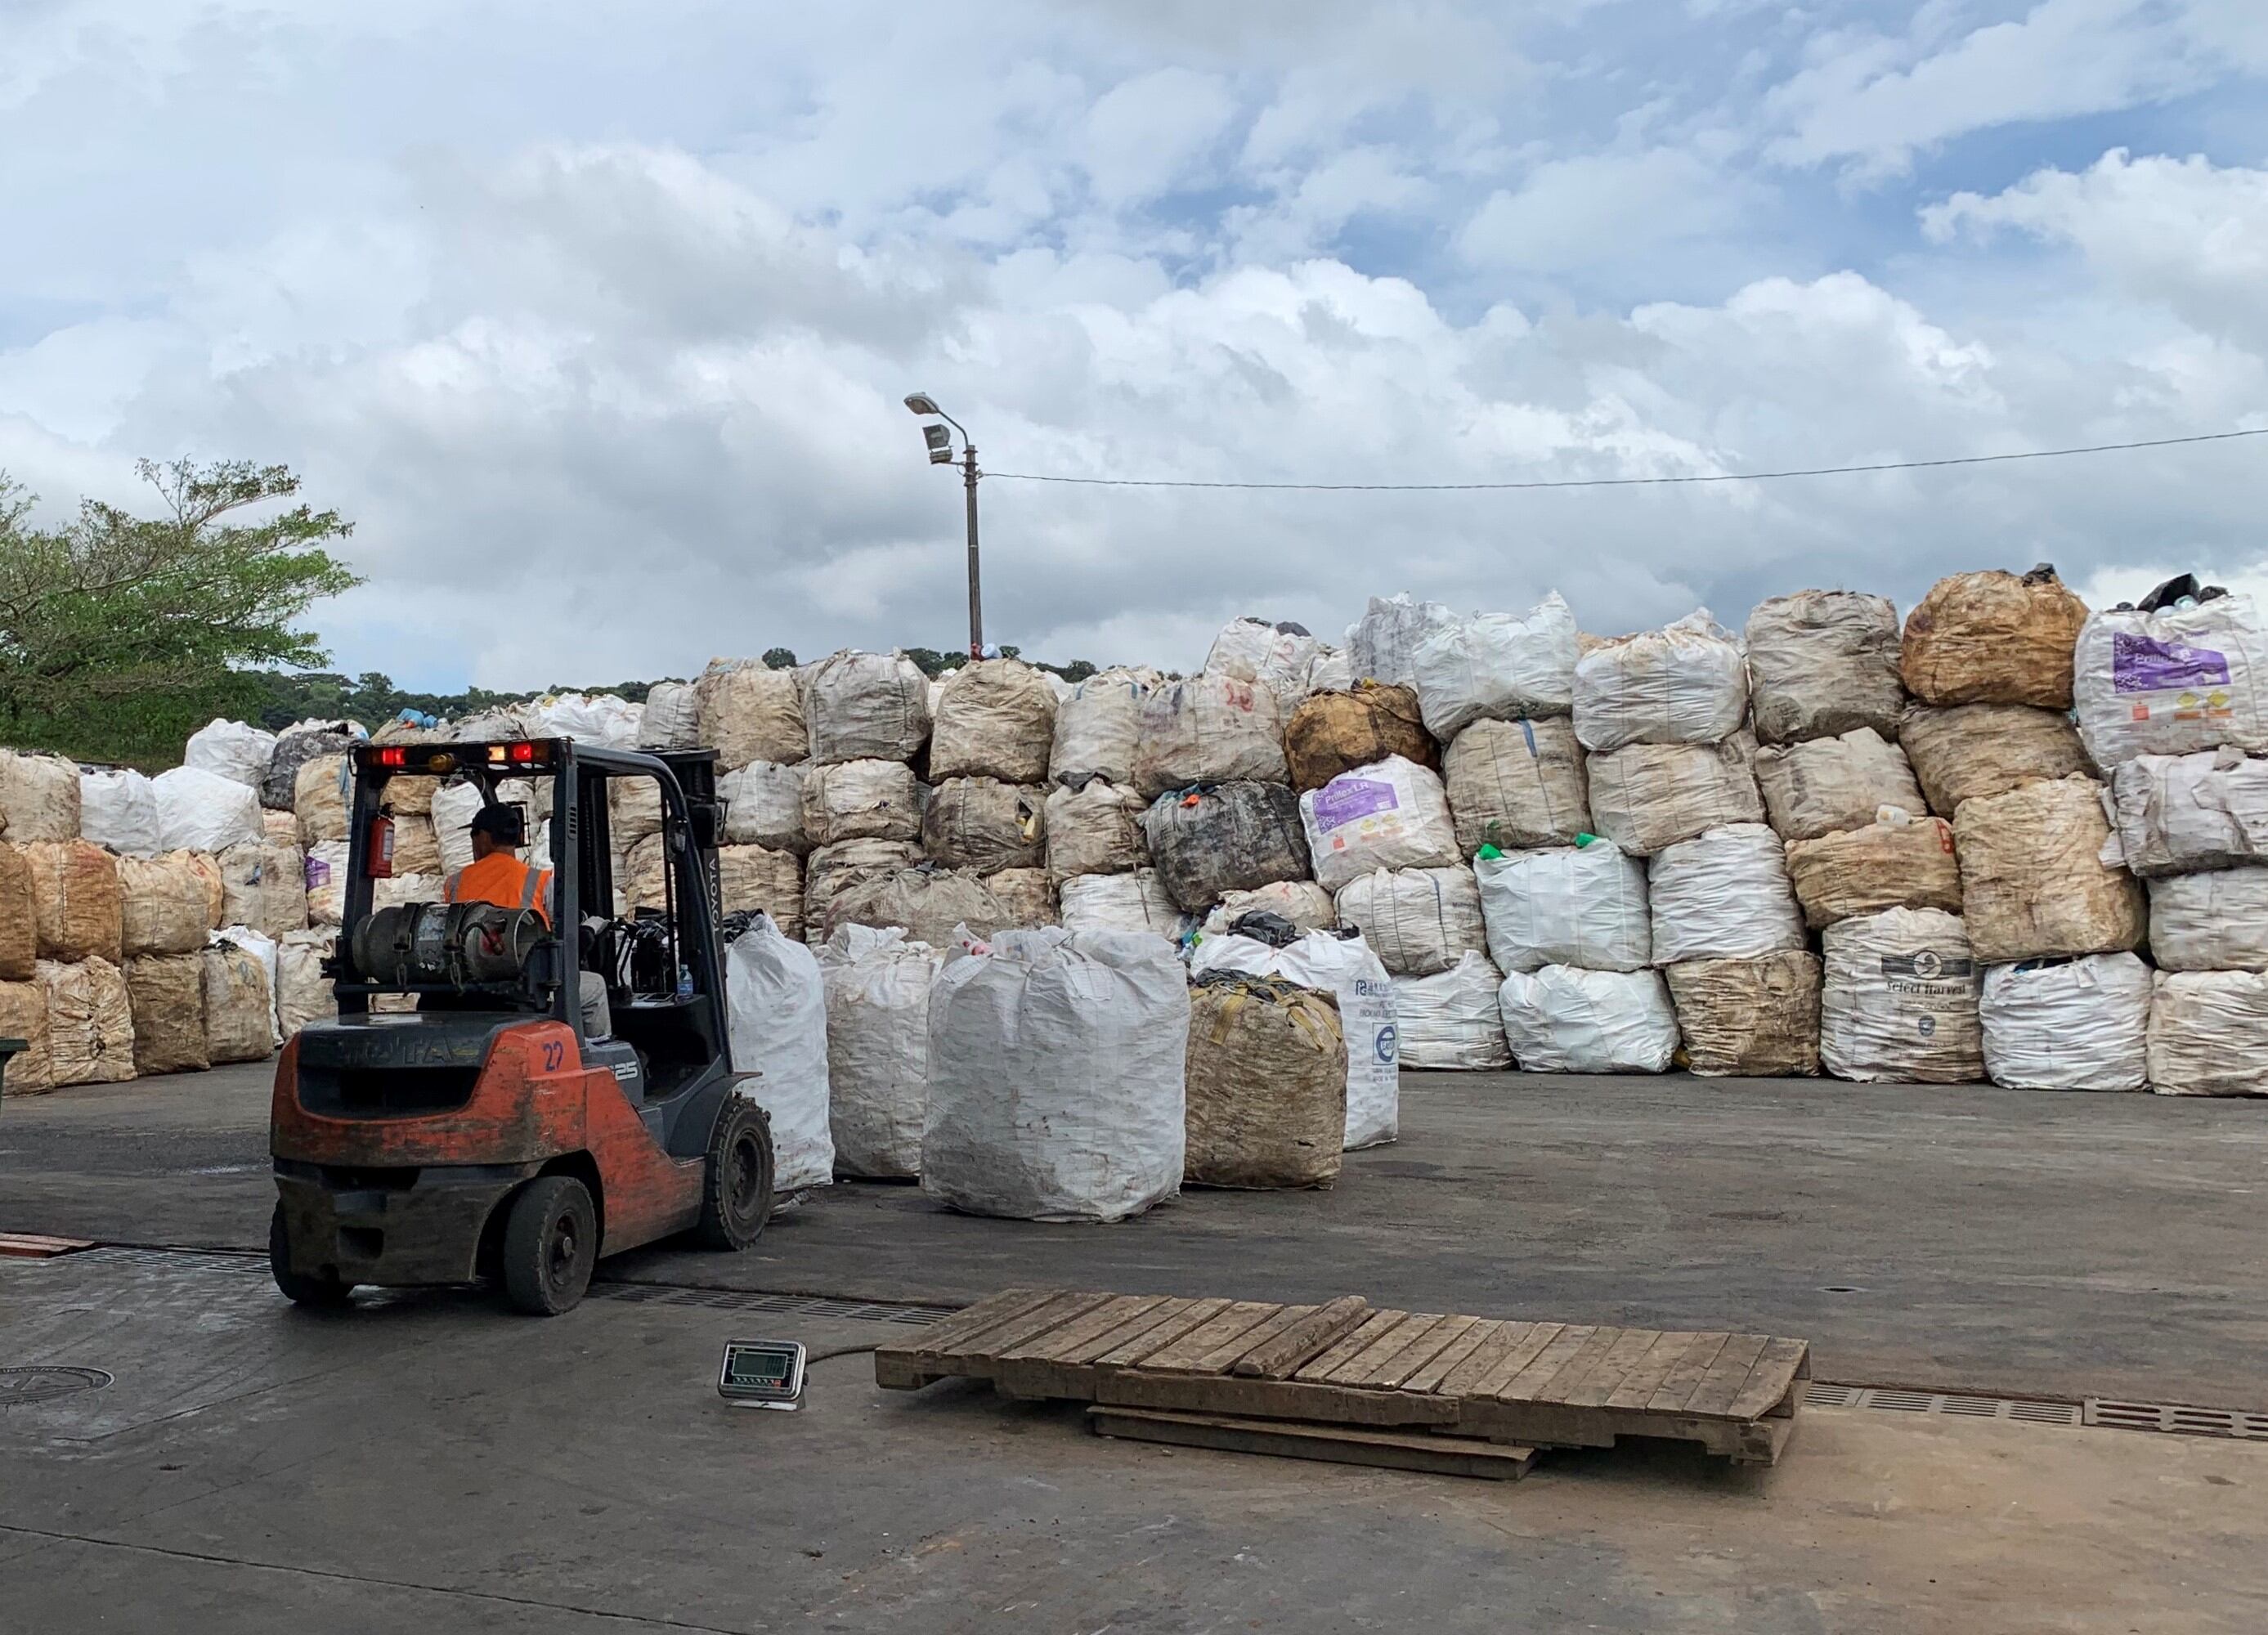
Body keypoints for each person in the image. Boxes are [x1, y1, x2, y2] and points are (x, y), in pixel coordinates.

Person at [444, 804, 552, 925]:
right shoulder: (542, 881)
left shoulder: (455, 883)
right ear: (520, 837)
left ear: (483, 837)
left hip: (473, 944)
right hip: (528, 944)